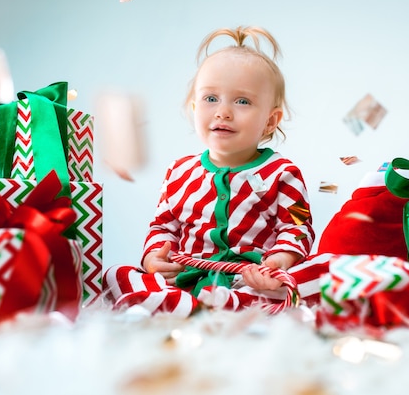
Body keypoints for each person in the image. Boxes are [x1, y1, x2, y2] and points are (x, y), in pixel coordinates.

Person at [104, 26, 329, 316]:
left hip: (248, 281)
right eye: (211, 99)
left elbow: (297, 226)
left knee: (321, 272)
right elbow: (164, 225)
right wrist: (154, 258)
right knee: (116, 274)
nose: (223, 112)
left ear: (271, 121)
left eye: (242, 101)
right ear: (194, 107)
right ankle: (187, 305)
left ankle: (212, 308)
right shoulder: (179, 172)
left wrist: (278, 262)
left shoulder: (283, 173)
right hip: (188, 278)